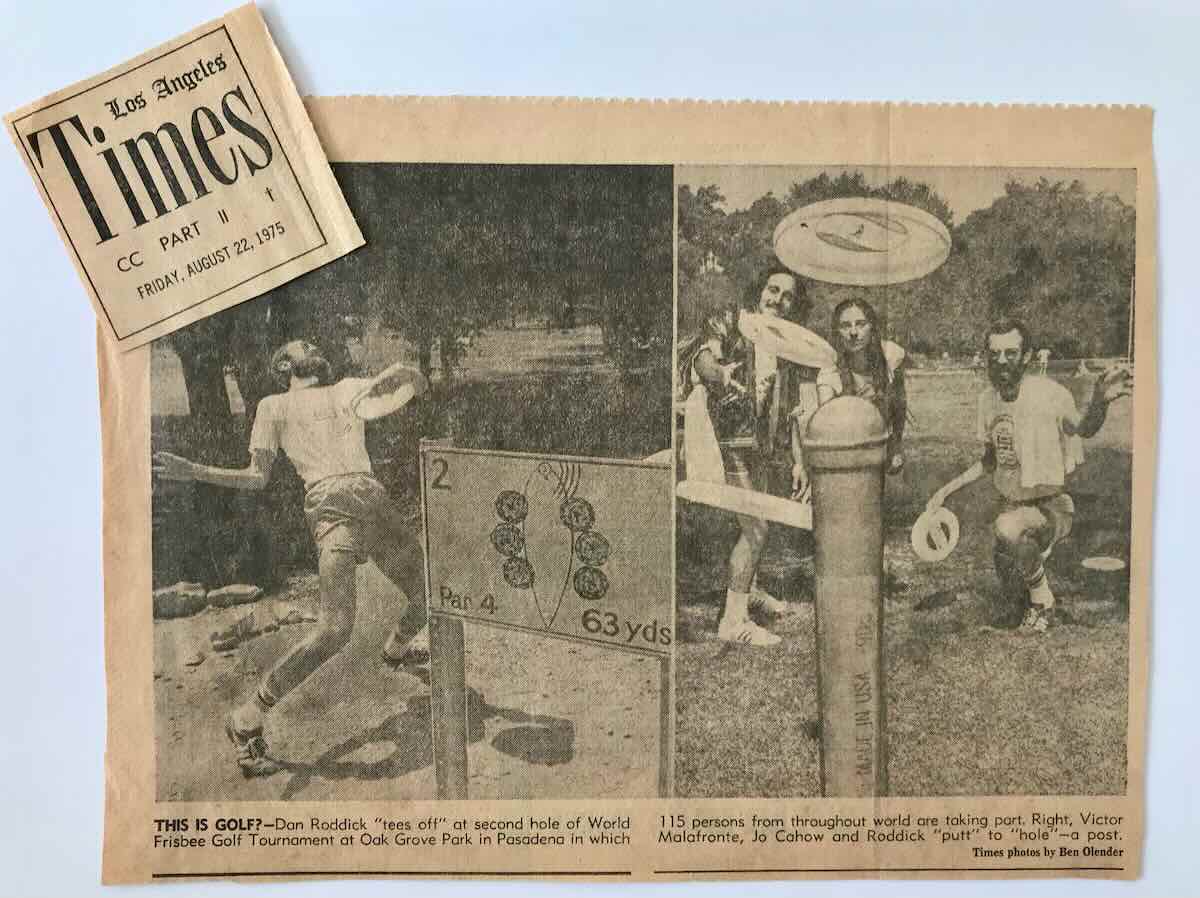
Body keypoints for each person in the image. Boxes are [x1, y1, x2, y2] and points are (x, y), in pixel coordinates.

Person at [153, 340, 430, 776]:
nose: (314, 347)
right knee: (336, 629)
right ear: (283, 363)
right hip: (332, 507)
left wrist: (407, 373)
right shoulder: (273, 406)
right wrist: (197, 473)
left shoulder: (347, 389)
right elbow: (256, 477)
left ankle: (395, 652)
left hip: (373, 499)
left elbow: (408, 386)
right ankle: (248, 718)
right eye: (303, 346)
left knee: (427, 593)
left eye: (316, 345)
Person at [924, 320, 1131, 633]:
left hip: (1050, 506)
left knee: (1009, 530)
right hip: (1012, 505)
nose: (1002, 361)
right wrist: (945, 491)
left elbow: (1083, 428)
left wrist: (1100, 400)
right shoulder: (987, 401)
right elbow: (990, 460)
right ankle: (1030, 586)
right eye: (995, 354)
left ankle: (1044, 604)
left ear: (1027, 356)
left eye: (1011, 353)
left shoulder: (1050, 394)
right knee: (1008, 567)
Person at [680, 267, 818, 646]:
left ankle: (750, 589)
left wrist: (800, 462)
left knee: (756, 524)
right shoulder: (733, 321)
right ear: (760, 290)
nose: (777, 299)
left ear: (796, 304)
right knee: (756, 529)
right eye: (772, 289)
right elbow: (701, 358)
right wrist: (722, 377)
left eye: (788, 295)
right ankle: (733, 619)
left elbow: (794, 414)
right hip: (725, 445)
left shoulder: (792, 346)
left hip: (762, 450)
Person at [813, 298, 908, 477]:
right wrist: (857, 407)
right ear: (837, 332)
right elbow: (827, 429)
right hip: (844, 456)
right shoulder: (830, 372)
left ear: (872, 327)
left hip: (881, 447)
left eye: (861, 324)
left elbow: (900, 407)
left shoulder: (891, 357)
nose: (854, 332)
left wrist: (896, 445)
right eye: (845, 326)